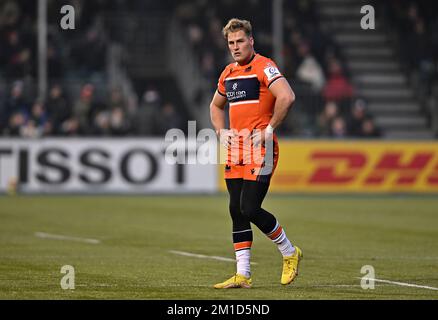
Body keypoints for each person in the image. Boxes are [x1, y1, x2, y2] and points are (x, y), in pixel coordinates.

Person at [209, 18, 302, 289]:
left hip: (260, 148)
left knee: (249, 207)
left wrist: (269, 128)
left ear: (251, 41)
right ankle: (243, 274)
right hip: (236, 148)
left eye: (240, 41)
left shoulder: (265, 66)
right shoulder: (228, 73)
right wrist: (220, 131)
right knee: (236, 210)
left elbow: (287, 96)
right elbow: (215, 106)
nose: (235, 47)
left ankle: (289, 252)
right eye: (231, 43)